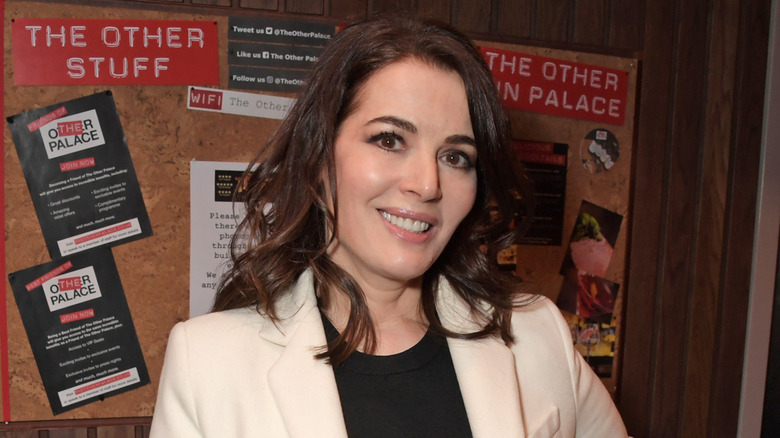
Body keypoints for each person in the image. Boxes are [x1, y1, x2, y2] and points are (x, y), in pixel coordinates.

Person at [150, 14, 628, 438]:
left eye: (456, 156)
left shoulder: (537, 333)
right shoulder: (207, 364)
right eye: (389, 139)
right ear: (319, 157)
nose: (427, 184)